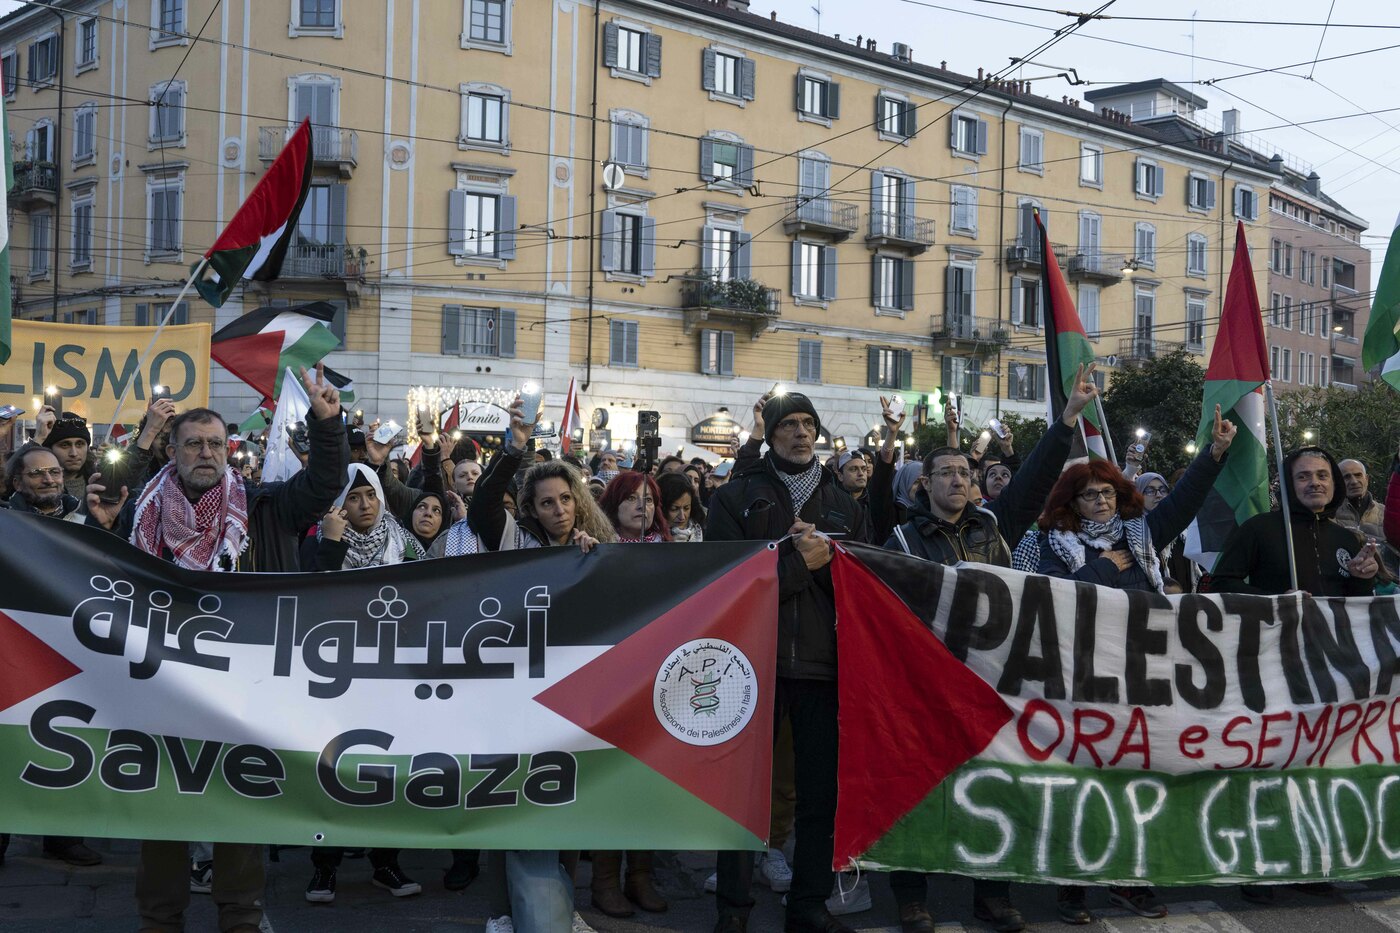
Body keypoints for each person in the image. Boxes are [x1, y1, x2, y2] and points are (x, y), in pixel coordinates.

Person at [84, 366, 348, 933]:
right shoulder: (142, 512)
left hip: (244, 695)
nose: (205, 452)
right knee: (164, 822)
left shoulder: (266, 508)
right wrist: (103, 525)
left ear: (228, 450)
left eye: (215, 443)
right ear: (173, 452)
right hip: (162, 692)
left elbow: (325, 485)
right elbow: (103, 565)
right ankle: (160, 920)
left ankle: (241, 919)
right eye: (193, 443)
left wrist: (328, 426)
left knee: (238, 814)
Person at [881, 369, 1097, 933]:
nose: (958, 479)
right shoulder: (901, 540)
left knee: (992, 783)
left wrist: (1068, 416)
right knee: (921, 788)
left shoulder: (994, 526)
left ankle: (992, 895)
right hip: (926, 682)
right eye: (945, 472)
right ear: (920, 486)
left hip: (989, 679)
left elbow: (1034, 477)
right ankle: (911, 896)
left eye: (965, 472)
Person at [1012, 406, 1235, 924]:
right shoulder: (1044, 542)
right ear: (1072, 502)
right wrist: (1102, 570)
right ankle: (1072, 885)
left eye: (1108, 492)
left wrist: (1215, 453)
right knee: (1080, 781)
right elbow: (1049, 596)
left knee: (1135, 778)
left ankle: (1129, 880)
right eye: (1090, 494)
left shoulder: (1140, 536)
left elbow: (1182, 505)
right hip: (1077, 679)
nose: (1101, 501)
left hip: (1141, 676)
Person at [706, 392, 867, 933]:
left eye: (809, 424)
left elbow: (861, 591)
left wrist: (820, 565)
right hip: (753, 666)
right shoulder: (734, 498)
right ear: (770, 432)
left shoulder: (846, 503)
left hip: (825, 669)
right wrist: (796, 563)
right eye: (790, 423)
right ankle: (733, 909)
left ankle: (808, 905)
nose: (801, 432)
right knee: (741, 796)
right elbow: (722, 586)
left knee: (820, 796)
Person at [586, 471, 671, 917]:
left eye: (651, 500)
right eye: (633, 499)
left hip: (658, 682)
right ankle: (604, 880)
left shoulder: (674, 557)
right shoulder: (597, 551)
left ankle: (640, 876)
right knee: (611, 780)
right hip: (611, 683)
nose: (644, 507)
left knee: (649, 781)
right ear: (613, 504)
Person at [1211, 445, 1379, 598]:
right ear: (1288, 485)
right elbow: (1220, 584)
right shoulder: (1258, 528)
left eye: (1322, 476)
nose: (1315, 483)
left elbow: (1357, 603)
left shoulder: (1346, 538)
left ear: (1334, 484)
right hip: (1277, 629)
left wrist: (1362, 578)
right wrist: (1275, 600)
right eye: (1303, 477)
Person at [1336, 458, 1398, 579]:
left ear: (1367, 479)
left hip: (1388, 585)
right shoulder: (1331, 515)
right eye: (1346, 477)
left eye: (1358, 475)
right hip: (1348, 585)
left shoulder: (1386, 513)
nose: (1354, 481)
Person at [39, 412, 98, 501]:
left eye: (79, 444)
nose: (74, 453)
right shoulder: (36, 485)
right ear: (49, 449)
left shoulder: (100, 482)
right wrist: (37, 439)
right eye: (65, 445)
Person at [658, 471, 704, 541]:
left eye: (686, 508)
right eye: (674, 509)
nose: (682, 517)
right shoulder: (648, 536)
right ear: (661, 508)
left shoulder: (701, 529)